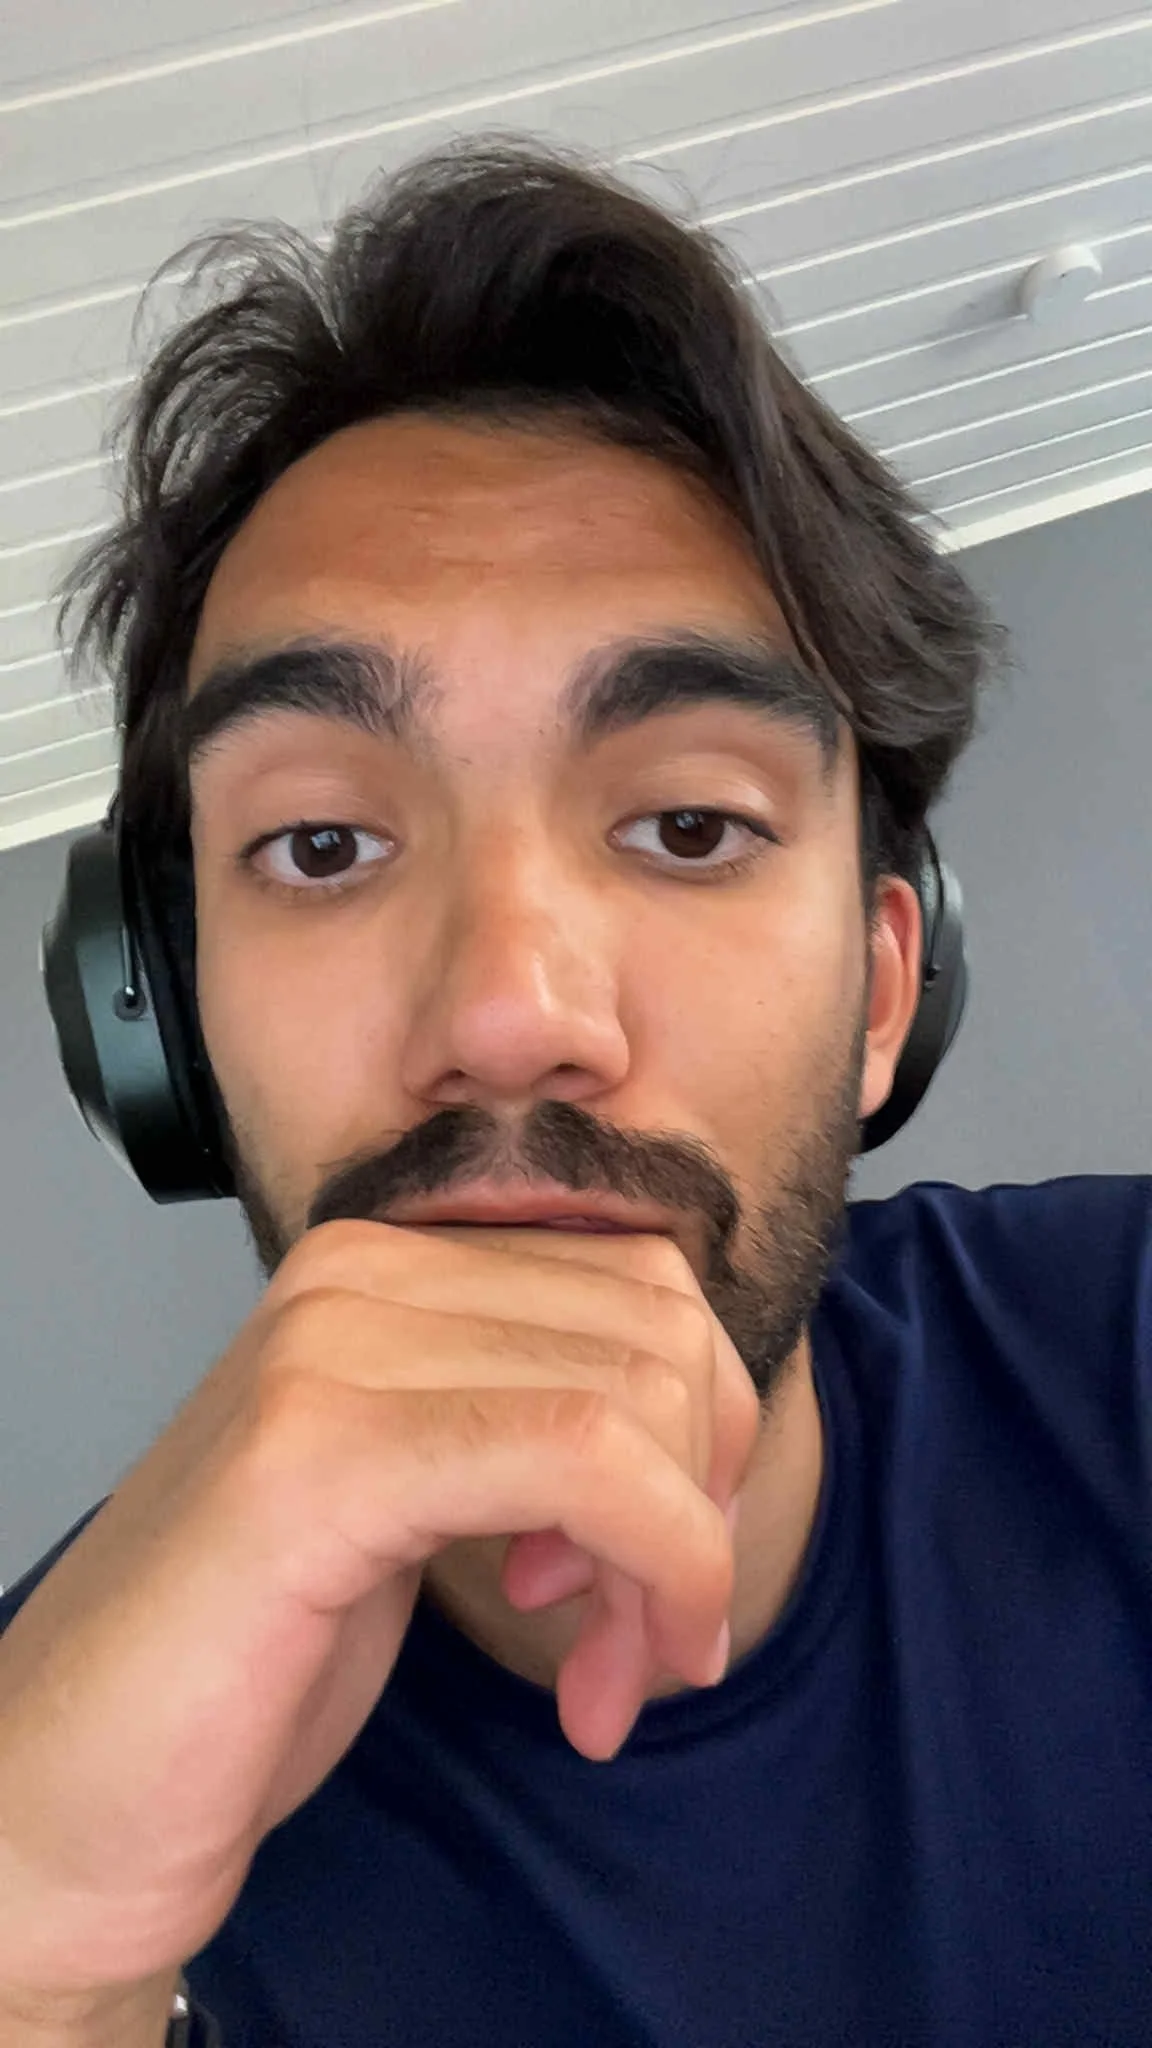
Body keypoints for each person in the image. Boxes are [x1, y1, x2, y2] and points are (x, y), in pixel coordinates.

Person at [0, 136, 1148, 2048]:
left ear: (883, 996)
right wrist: (39, 1958)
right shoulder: (46, 1767)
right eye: (321, 847)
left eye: (689, 823)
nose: (516, 1011)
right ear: (166, 1031)